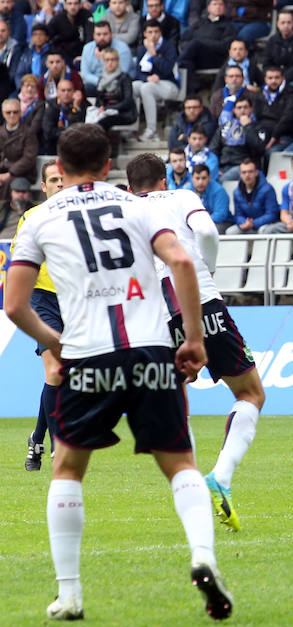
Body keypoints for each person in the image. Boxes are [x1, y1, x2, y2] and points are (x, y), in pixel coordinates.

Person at [5, 123, 232, 620]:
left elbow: (15, 303)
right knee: (179, 463)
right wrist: (193, 339)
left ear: (58, 169)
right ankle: (203, 557)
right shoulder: (140, 207)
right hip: (151, 351)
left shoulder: (40, 218)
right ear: (110, 165)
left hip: (87, 357)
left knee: (67, 468)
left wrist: (55, 344)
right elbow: (184, 264)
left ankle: (69, 595)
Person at [126, 152, 265, 532]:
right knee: (250, 394)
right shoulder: (182, 197)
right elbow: (206, 232)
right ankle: (221, 475)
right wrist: (209, 266)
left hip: (153, 315)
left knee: (175, 400)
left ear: (129, 186)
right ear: (164, 180)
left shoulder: (123, 209)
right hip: (200, 300)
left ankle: (188, 490)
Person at [13, 161, 64, 471]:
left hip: (74, 301)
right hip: (42, 298)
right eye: (53, 180)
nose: (59, 184)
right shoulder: (30, 218)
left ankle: (37, 438)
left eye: (62, 179)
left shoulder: (79, 219)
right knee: (55, 369)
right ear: (43, 187)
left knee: (58, 375)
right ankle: (60, 449)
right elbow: (20, 262)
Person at [132, 19, 178, 143]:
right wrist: (147, 78)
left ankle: (151, 130)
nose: (153, 35)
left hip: (169, 84)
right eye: (150, 32)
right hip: (149, 82)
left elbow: (167, 69)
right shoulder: (142, 49)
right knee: (133, 86)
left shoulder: (169, 47)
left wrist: (153, 54)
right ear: (145, 34)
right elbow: (137, 73)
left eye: (156, 31)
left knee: (146, 88)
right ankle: (130, 128)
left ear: (161, 32)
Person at [177, 0, 236, 86]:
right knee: (186, 64)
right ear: (208, 8)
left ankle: (175, 65)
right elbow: (184, 40)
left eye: (220, 4)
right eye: (215, 4)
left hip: (215, 59)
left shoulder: (228, 26)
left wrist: (203, 42)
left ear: (225, 8)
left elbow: (225, 46)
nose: (218, 7)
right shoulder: (200, 23)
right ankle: (189, 95)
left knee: (195, 43)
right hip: (196, 57)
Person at [211, 95, 268, 181]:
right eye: (239, 108)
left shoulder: (258, 127)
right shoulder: (225, 127)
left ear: (251, 109)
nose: (242, 110)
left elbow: (260, 148)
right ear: (234, 110)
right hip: (223, 167)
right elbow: (213, 148)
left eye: (245, 107)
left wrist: (248, 127)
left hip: (243, 167)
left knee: (220, 181)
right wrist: (215, 168)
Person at [79, 20, 133, 96]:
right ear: (94, 36)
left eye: (105, 34)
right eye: (98, 34)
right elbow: (85, 73)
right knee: (84, 88)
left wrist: (103, 60)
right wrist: (100, 81)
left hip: (118, 84)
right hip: (97, 82)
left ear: (111, 34)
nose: (102, 37)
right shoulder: (87, 48)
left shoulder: (122, 48)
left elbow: (122, 73)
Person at [226, 159, 279, 234]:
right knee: (231, 232)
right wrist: (244, 223)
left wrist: (253, 223)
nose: (247, 175)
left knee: (264, 231)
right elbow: (238, 215)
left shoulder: (267, 189)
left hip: (264, 225)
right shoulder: (237, 192)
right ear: (240, 174)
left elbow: (272, 214)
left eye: (250, 172)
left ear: (256, 173)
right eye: (244, 172)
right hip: (247, 225)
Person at [0, 98, 37, 204]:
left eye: (15, 112)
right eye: (8, 112)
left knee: (9, 184)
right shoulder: (0, 132)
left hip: (22, 173)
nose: (12, 115)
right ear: (3, 114)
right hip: (2, 172)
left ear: (20, 113)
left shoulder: (28, 132)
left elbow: (28, 158)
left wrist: (10, 173)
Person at [261, 9, 293, 84]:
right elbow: (266, 63)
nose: (286, 26)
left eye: (289, 22)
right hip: (274, 78)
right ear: (277, 24)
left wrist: (285, 77)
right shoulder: (272, 41)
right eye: (283, 23)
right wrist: (275, 76)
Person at [41, 78, 85, 154]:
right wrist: (69, 132)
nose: (66, 93)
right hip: (54, 145)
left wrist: (76, 108)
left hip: (76, 146)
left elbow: (80, 128)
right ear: (57, 92)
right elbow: (48, 132)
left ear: (74, 92)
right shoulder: (51, 106)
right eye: (63, 90)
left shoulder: (82, 105)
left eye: (69, 90)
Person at [191, 163, 231, 234]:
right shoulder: (188, 192)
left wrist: (202, 222)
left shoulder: (219, 191)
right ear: (192, 179)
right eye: (197, 178)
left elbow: (220, 215)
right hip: (198, 224)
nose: (200, 182)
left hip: (222, 223)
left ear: (209, 177)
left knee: (209, 230)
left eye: (204, 178)